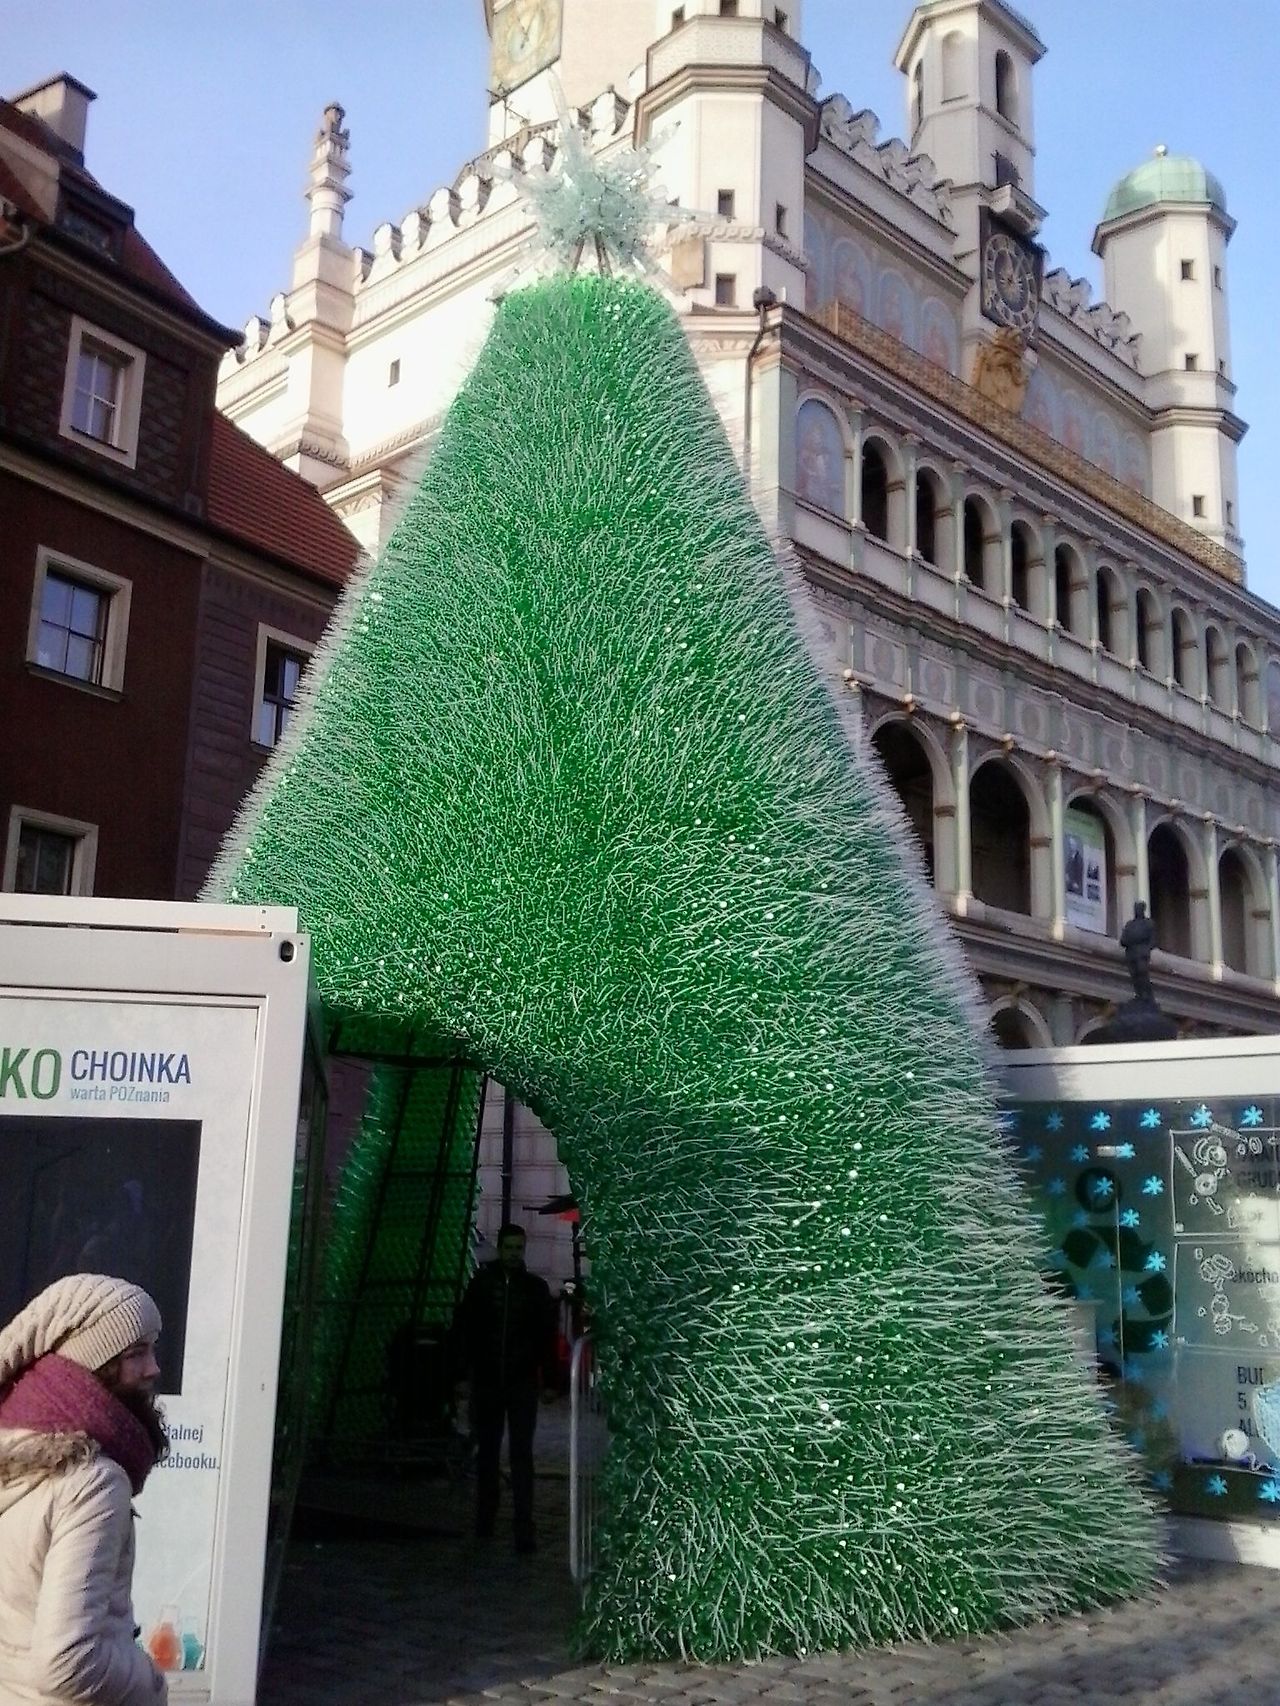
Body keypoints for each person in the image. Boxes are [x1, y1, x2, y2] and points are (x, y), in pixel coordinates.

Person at [0, 1274, 169, 1705]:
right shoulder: (92, 1483)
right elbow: (66, 1663)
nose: (154, 1368)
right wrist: (148, 1681)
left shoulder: (14, 1445)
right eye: (136, 1353)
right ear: (95, 1361)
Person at [452, 1224, 556, 1553]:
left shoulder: (532, 1289)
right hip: (489, 1381)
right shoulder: (483, 1286)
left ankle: (520, 1526)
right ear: (501, 1247)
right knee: (490, 1453)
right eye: (509, 1247)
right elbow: (465, 1332)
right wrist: (463, 1375)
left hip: (519, 1381)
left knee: (519, 1455)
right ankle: (488, 1519)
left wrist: (550, 1380)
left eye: (518, 1248)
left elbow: (545, 1338)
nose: (514, 1253)